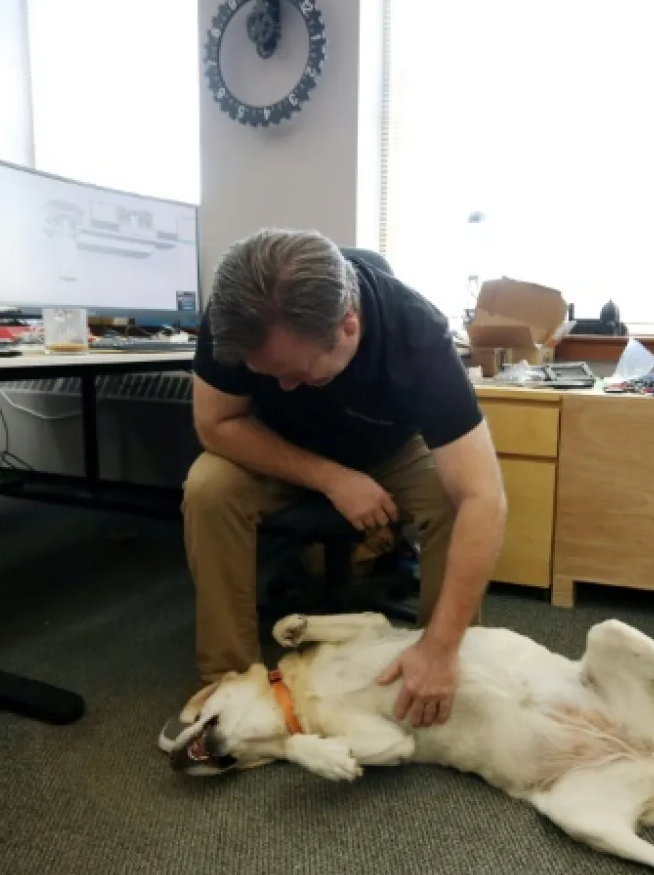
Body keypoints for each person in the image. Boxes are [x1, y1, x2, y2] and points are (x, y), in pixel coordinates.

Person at [184, 229, 507, 727]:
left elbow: (484, 498)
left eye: (297, 372)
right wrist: (331, 478)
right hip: (277, 448)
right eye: (267, 375)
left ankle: (438, 664)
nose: (283, 386)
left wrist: (441, 647)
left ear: (349, 325)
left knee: (451, 497)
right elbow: (215, 424)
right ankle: (230, 683)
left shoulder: (415, 333)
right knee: (208, 489)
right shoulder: (236, 315)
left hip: (388, 449)